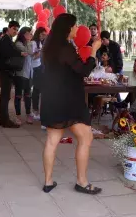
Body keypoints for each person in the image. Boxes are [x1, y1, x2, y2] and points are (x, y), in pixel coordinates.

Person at [40, 13, 102, 195]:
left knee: (52, 141)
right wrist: (93, 51)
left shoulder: (50, 47)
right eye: (75, 26)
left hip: (52, 98)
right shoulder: (65, 48)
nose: (77, 29)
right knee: (86, 138)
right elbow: (83, 70)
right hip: (69, 100)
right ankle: (82, 182)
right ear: (68, 28)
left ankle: (48, 181)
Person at [0, 20, 27, 128]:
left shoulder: (7, 39)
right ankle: (5, 120)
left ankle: (2, 119)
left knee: (4, 96)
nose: (15, 31)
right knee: (5, 96)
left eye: (17, 30)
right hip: (5, 71)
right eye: (14, 29)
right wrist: (20, 53)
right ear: (9, 28)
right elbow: (8, 53)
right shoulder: (5, 39)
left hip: (5, 70)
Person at [14, 27, 34, 125]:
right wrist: (30, 43)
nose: (30, 35)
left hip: (29, 73)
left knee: (28, 95)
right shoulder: (18, 44)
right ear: (22, 34)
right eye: (28, 34)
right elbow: (29, 52)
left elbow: (32, 54)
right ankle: (18, 116)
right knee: (18, 95)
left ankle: (28, 114)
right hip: (20, 73)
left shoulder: (28, 43)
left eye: (30, 34)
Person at [31, 27, 47, 120]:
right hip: (35, 68)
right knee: (37, 89)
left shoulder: (40, 43)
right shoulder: (33, 43)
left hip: (40, 67)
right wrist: (41, 51)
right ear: (38, 34)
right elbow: (33, 57)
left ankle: (36, 110)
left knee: (39, 89)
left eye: (44, 35)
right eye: (42, 34)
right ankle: (35, 110)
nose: (43, 36)